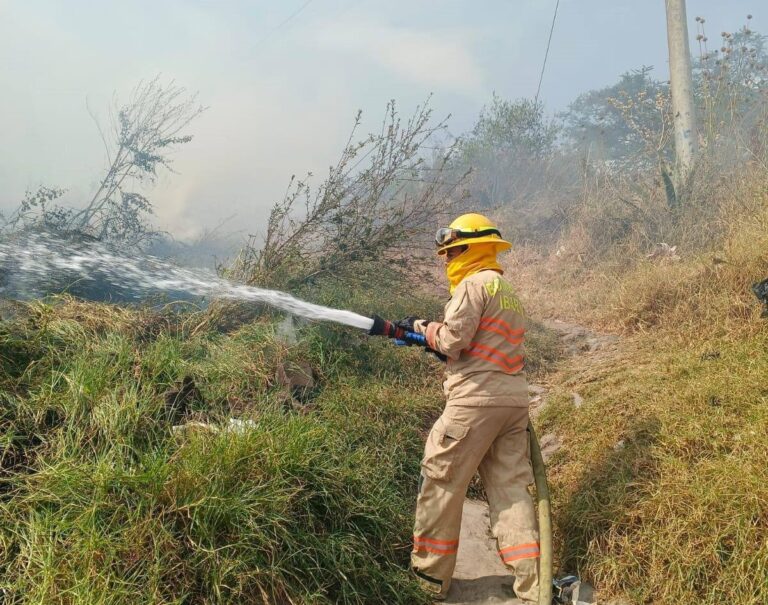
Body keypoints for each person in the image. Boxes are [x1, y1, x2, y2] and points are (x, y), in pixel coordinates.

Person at [399, 213, 539, 603]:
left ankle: (429, 579)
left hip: (473, 402)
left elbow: (454, 338)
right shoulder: (506, 288)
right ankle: (533, 586)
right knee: (511, 490)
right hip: (512, 403)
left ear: (474, 248)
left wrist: (425, 328)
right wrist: (437, 342)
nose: (447, 260)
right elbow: (482, 346)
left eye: (453, 251)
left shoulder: (473, 284)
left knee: (442, 481)